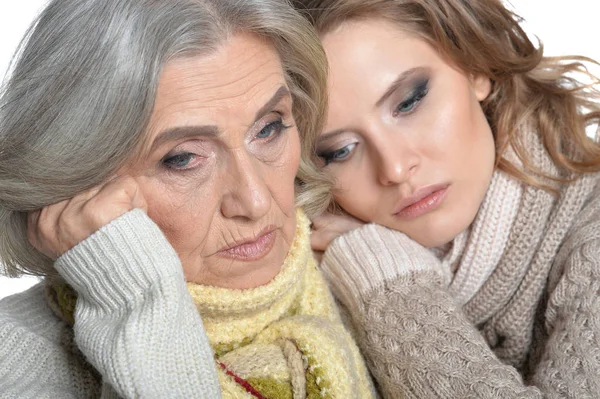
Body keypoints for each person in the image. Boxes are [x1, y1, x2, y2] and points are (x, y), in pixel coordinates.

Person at [0, 0, 375, 397]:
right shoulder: (16, 363)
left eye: (267, 129)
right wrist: (133, 298)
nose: (255, 201)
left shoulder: (367, 263)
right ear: (77, 180)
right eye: (183, 159)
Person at [293, 0, 600, 397]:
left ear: (473, 66)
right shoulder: (313, 275)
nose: (395, 169)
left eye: (408, 102)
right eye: (340, 150)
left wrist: (390, 285)